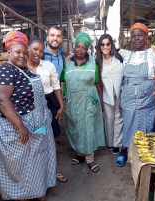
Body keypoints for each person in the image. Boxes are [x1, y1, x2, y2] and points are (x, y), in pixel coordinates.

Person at [0, 30, 56, 200]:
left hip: (34, 123)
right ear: (8, 52)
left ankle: (38, 190)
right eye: (18, 52)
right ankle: (21, 194)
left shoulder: (23, 70)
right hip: (14, 126)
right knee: (20, 163)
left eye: (25, 52)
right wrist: (20, 125)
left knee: (36, 159)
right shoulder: (4, 71)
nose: (23, 56)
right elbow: (1, 100)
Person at [115, 23, 155, 167]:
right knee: (129, 123)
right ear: (130, 39)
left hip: (147, 96)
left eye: (140, 35)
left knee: (146, 125)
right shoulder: (125, 54)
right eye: (133, 36)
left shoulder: (153, 53)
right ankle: (124, 151)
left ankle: (146, 155)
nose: (136, 38)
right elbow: (105, 51)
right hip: (129, 95)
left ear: (146, 37)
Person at [61, 32, 105, 173]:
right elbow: (62, 82)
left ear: (87, 50)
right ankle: (80, 154)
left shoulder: (93, 62)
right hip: (72, 101)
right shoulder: (67, 64)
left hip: (89, 100)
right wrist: (64, 99)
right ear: (73, 47)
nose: (80, 50)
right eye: (78, 47)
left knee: (88, 129)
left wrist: (101, 101)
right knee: (75, 128)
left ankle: (90, 159)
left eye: (84, 47)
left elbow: (98, 83)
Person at [27, 36, 67, 183]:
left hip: (49, 104)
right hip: (30, 107)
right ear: (28, 49)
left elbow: (56, 86)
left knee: (52, 138)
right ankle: (37, 174)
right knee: (35, 139)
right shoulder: (21, 67)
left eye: (41, 51)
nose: (38, 53)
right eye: (35, 49)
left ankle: (52, 172)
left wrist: (61, 106)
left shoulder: (48, 66)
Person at [41, 25, 68, 183]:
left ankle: (52, 171)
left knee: (54, 135)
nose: (55, 38)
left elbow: (58, 82)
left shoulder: (61, 55)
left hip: (53, 97)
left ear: (61, 39)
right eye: (52, 35)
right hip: (37, 98)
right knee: (38, 136)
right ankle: (40, 172)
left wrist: (60, 104)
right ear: (47, 37)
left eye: (58, 36)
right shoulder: (38, 52)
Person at [95, 34, 124, 154]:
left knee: (119, 118)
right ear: (99, 46)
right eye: (102, 44)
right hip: (107, 95)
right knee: (109, 118)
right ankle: (110, 143)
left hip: (120, 93)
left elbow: (136, 50)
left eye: (107, 44)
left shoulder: (120, 56)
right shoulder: (97, 61)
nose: (105, 46)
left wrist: (152, 47)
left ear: (111, 44)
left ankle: (118, 144)